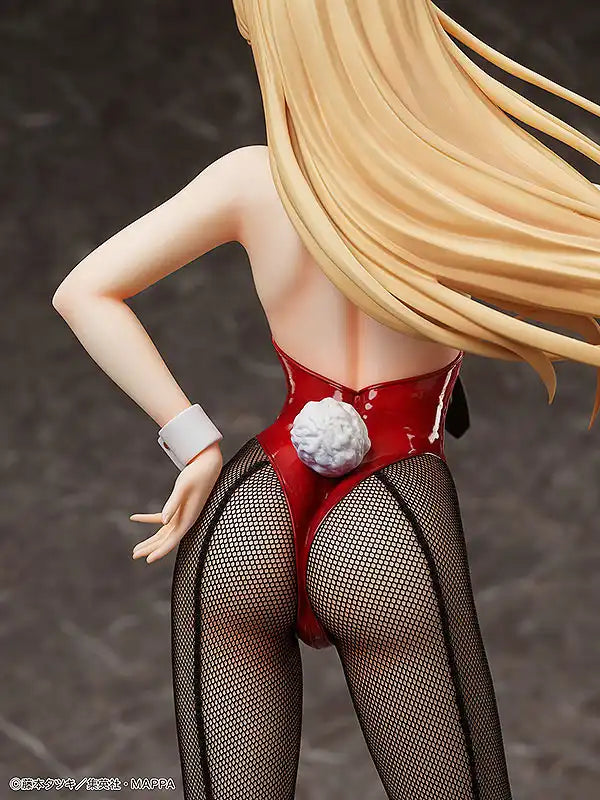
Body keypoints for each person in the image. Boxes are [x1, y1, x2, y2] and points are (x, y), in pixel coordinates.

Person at [52, 1, 600, 797]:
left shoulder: (251, 178)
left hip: (247, 516)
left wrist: (193, 442)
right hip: (389, 521)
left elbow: (84, 291)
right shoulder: (455, 181)